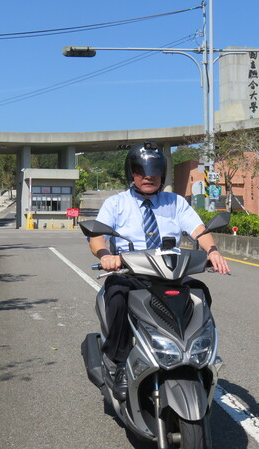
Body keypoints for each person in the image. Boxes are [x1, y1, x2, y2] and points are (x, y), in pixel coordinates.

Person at [88, 140, 230, 401]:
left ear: (162, 173)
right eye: (141, 171)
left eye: (154, 172)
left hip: (170, 272)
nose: (148, 177)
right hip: (130, 273)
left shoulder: (175, 203)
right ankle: (118, 364)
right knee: (117, 297)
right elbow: (97, 236)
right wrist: (106, 255)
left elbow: (200, 231)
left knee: (200, 294)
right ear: (132, 173)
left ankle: (196, 352)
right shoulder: (116, 204)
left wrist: (212, 251)